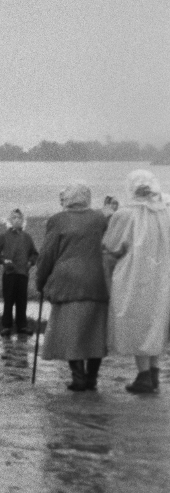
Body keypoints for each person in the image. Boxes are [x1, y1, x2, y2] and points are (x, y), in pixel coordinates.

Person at [34, 183, 109, 392]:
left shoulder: (58, 220)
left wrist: (40, 281)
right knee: (95, 332)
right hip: (97, 280)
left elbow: (47, 255)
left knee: (70, 330)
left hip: (67, 282)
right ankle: (91, 379)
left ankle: (78, 378)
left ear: (67, 199)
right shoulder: (100, 219)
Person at [102, 169, 170, 394]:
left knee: (137, 321)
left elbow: (112, 246)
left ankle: (144, 375)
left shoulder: (125, 215)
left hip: (133, 276)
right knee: (156, 321)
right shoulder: (165, 213)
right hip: (162, 276)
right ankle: (153, 371)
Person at [0, 209, 39, 336]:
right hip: (9, 273)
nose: (17, 220)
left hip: (23, 272)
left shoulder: (27, 237)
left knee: (22, 300)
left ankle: (22, 325)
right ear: (9, 221)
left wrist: (30, 262)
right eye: (14, 218)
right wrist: (3, 260)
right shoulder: (3, 236)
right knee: (9, 299)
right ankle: (6, 326)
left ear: (23, 221)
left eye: (19, 218)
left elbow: (34, 253)